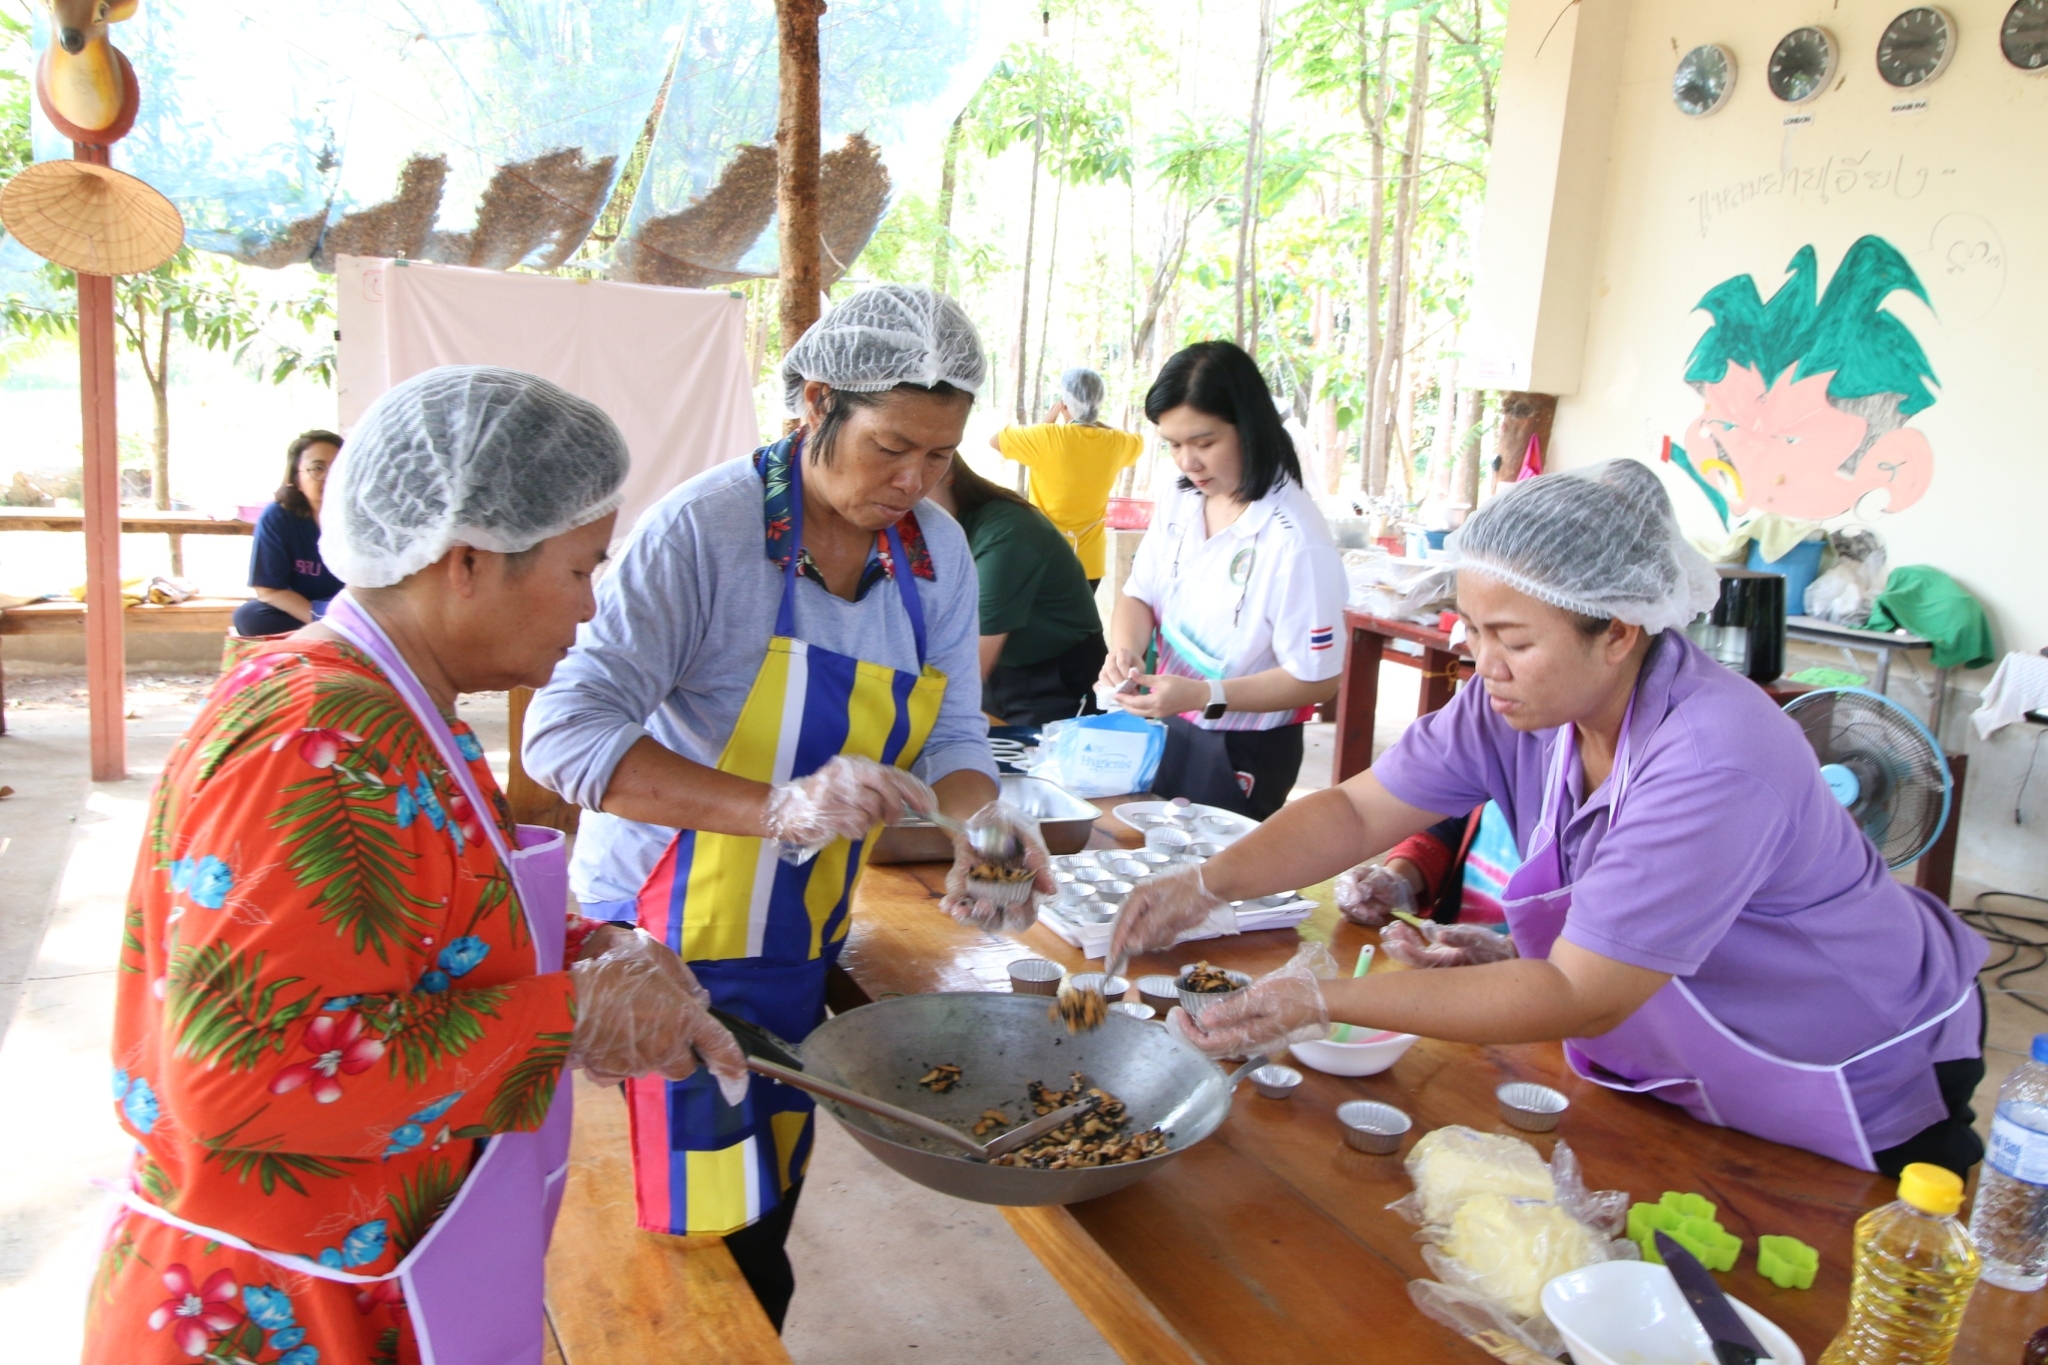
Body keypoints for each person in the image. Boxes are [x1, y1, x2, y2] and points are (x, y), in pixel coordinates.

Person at [84, 366, 750, 1365]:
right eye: (580, 569)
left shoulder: (397, 712)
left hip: (385, 1268)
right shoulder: (312, 740)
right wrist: (568, 1013)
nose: (590, 606)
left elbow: (433, 915)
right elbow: (241, 1081)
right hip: (276, 1315)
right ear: (468, 560)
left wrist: (601, 950)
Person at [1111, 460, 1990, 1177]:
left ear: (1617, 630)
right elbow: (1353, 809)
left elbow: (1580, 992)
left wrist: (1315, 997)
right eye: (1474, 630)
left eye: (1515, 638)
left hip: (1855, 1062)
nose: (1484, 663)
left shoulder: (1717, 754)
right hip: (1687, 1054)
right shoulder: (1518, 706)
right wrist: (1206, 885)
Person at [524, 283, 1049, 1329]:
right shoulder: (704, 533)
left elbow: (952, 737)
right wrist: (777, 808)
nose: (914, 481)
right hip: (654, 941)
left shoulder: (933, 555)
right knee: (676, 1252)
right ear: (814, 403)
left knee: (760, 1213)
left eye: (940, 454)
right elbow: (565, 736)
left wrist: (980, 825)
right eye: (892, 447)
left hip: (796, 939)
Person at [1097, 341, 1349, 820]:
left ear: (1249, 428)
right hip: (1170, 723)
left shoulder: (1294, 538)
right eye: (1173, 444)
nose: (1187, 462)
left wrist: (1204, 695)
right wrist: (1124, 651)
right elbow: (1138, 595)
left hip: (1244, 746)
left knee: (1215, 883)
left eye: (1204, 442)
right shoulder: (1180, 498)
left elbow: (1316, 679)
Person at [927, 456, 1107, 726]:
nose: (904, 490)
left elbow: (969, 671)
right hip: (994, 670)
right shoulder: (924, 531)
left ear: (947, 467)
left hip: (1052, 678)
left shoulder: (1007, 532)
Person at [990, 366, 1142, 587]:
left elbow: (995, 441)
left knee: (1041, 622)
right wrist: (1095, 422)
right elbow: (1137, 443)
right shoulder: (1116, 443)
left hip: (1044, 557)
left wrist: (1048, 419)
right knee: (1079, 622)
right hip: (1089, 565)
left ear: (1065, 404)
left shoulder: (1046, 437)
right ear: (1098, 403)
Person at [232, 428, 347, 638]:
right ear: (295, 478)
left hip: (352, 611)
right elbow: (268, 590)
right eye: (318, 468)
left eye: (338, 468)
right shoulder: (278, 517)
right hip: (302, 609)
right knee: (249, 617)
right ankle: (337, 636)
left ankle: (338, 635)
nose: (329, 478)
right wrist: (321, 621)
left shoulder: (362, 517)